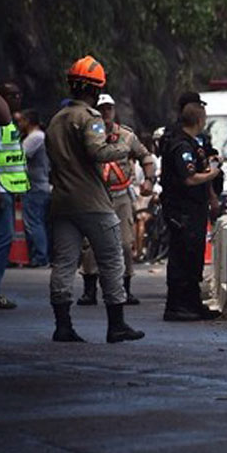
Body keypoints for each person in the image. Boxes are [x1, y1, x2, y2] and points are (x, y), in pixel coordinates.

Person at [45, 55, 144, 343]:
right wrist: (125, 145)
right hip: (93, 204)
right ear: (96, 90)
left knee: (63, 263)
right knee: (112, 260)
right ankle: (117, 326)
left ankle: (62, 326)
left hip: (62, 202)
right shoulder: (90, 118)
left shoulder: (56, 120)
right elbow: (98, 152)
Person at [77, 93, 155, 306]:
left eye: (109, 108)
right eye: (101, 109)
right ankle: (89, 290)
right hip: (94, 195)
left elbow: (145, 157)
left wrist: (149, 180)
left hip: (121, 196)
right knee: (90, 244)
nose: (105, 113)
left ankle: (126, 289)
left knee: (124, 243)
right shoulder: (88, 134)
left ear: (114, 110)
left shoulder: (126, 136)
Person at [159, 93, 222, 321]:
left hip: (195, 208)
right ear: (198, 118)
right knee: (182, 257)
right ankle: (177, 306)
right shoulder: (179, 143)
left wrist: (212, 193)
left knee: (193, 256)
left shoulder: (197, 142)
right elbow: (189, 177)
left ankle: (192, 304)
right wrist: (212, 174)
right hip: (180, 209)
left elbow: (202, 167)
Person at [0, 82, 30, 309]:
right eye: (12, 94)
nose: (17, 98)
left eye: (19, 94)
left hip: (4, 189)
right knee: (0, 239)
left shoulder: (7, 122)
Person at [17, 108, 50, 267]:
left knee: (34, 222)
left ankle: (40, 256)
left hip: (36, 186)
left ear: (29, 121)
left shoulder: (35, 137)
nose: (19, 124)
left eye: (21, 121)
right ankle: (36, 255)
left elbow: (19, 155)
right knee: (35, 221)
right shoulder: (37, 136)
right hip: (37, 185)